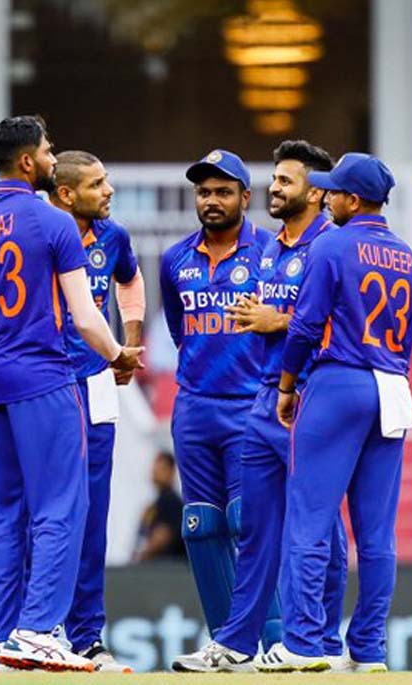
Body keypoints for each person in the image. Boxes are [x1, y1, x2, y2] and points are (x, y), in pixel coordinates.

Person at [0, 115, 143, 672]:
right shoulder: (53, 222)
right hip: (44, 379)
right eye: (49, 150)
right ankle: (38, 630)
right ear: (28, 161)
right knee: (61, 506)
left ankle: (4, 633)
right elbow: (85, 316)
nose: (54, 158)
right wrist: (118, 353)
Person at [173, 140, 347, 672]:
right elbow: (183, 331)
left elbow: (345, 328)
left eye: (284, 181)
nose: (275, 187)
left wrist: (280, 323)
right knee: (254, 529)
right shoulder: (276, 250)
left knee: (320, 529)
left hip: (307, 398)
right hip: (267, 399)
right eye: (274, 179)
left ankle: (324, 642)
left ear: (315, 192)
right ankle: (237, 641)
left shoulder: (330, 247)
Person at [260, 154, 412, 672]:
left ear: (353, 199)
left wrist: (287, 386)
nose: (326, 199)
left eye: (333, 193)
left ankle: (304, 644)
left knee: (308, 520)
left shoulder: (331, 244)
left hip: (338, 381)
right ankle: (369, 650)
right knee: (376, 534)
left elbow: (305, 327)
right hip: (392, 387)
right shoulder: (407, 256)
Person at [159, 150, 280, 649]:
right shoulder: (174, 258)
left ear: (245, 198)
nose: (212, 200)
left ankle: (274, 641)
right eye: (204, 192)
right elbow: (179, 330)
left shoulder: (270, 253)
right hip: (194, 406)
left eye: (223, 192)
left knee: (248, 521)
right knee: (200, 526)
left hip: (250, 404)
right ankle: (226, 644)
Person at [48, 150, 145, 673]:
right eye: (97, 184)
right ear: (66, 195)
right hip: (43, 384)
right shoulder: (40, 233)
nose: (109, 191)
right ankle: (33, 628)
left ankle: (85, 635)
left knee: (91, 513)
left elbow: (130, 279)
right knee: (43, 511)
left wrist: (130, 338)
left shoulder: (113, 237)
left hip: (95, 382)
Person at [133, 451, 185, 562]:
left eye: (161, 468)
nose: (155, 471)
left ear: (171, 471)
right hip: (155, 565)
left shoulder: (172, 501)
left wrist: (144, 553)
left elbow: (162, 536)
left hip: (170, 565)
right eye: (154, 467)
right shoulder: (153, 506)